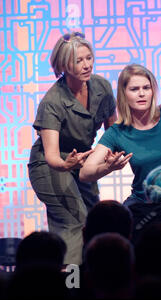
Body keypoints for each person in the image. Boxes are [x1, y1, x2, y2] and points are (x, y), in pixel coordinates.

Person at [28, 32, 117, 265]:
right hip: (50, 166)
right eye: (79, 60)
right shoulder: (53, 101)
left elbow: (113, 129)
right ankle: (70, 287)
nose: (87, 65)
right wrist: (65, 165)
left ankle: (90, 282)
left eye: (89, 58)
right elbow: (52, 156)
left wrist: (111, 154)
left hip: (82, 160)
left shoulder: (102, 87)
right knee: (73, 220)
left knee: (95, 221)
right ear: (63, 65)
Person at [80, 64, 161, 206]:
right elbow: (85, 173)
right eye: (134, 89)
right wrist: (108, 167)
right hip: (143, 201)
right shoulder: (117, 132)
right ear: (124, 94)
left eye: (146, 88)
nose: (141, 94)